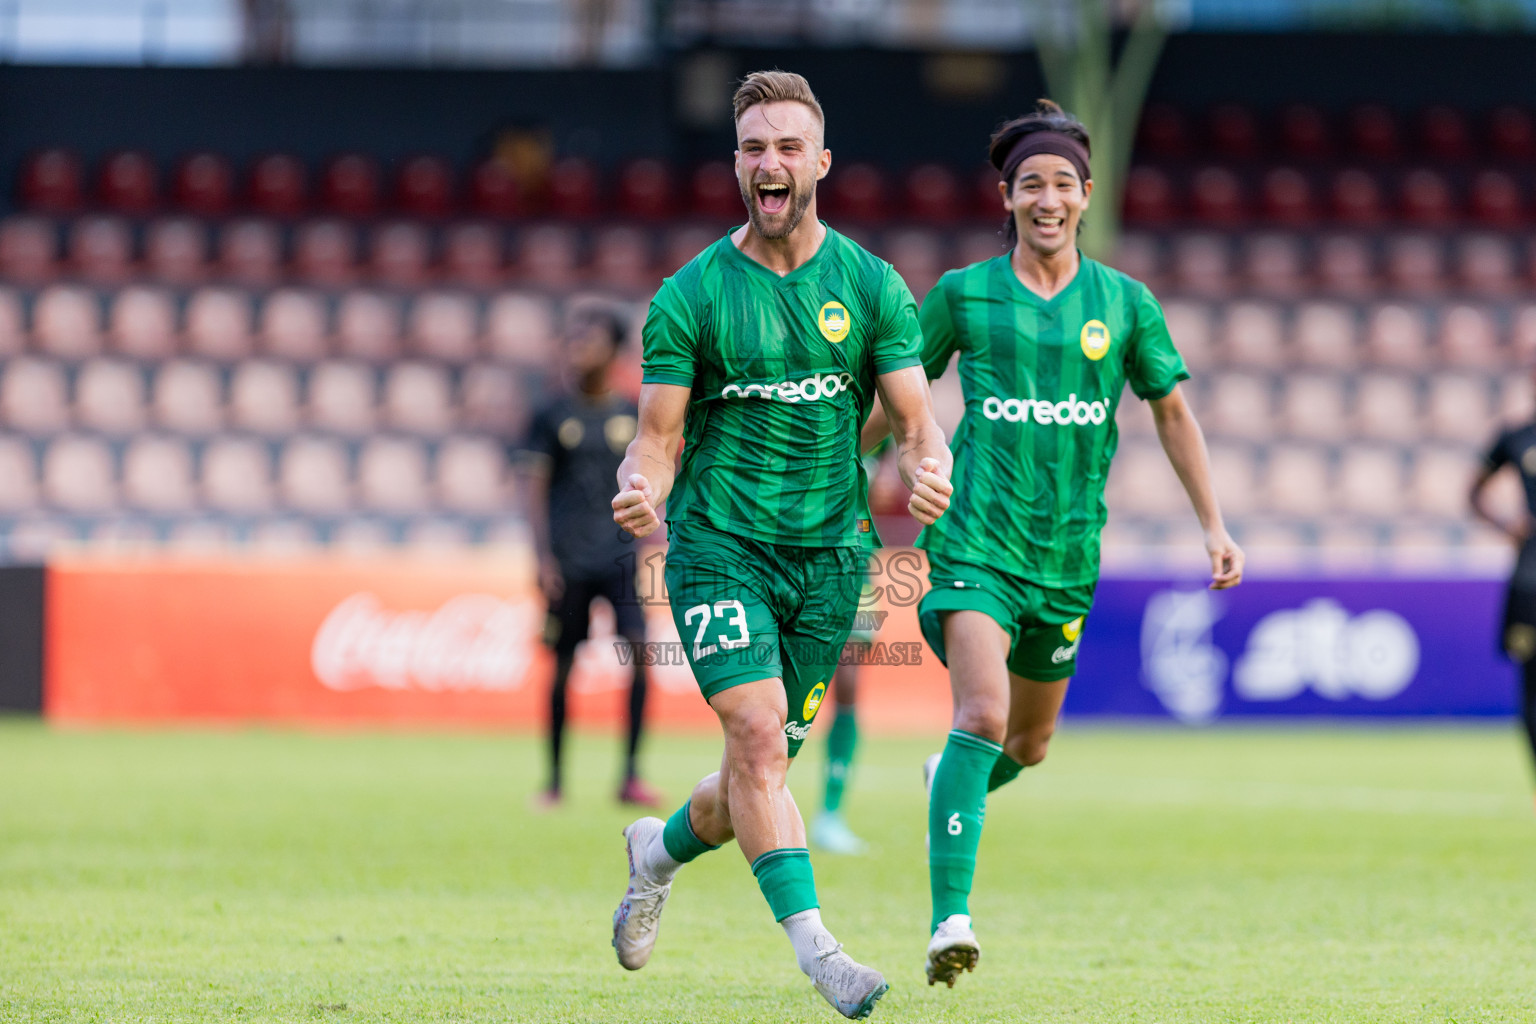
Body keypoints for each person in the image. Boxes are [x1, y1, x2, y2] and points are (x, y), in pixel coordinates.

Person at [607, 70, 954, 1020]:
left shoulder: (871, 285)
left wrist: (931, 467)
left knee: (747, 785)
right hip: (719, 548)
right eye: (755, 147)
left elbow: (917, 421)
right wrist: (642, 487)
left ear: (821, 163)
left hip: (832, 561)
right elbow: (658, 437)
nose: (771, 163)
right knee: (758, 739)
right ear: (736, 165)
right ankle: (823, 956)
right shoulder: (691, 296)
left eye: (788, 147)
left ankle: (658, 851)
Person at [877, 99, 1244, 988]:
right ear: (1006, 197)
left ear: (1086, 195)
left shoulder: (1124, 304)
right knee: (983, 716)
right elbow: (899, 391)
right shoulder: (964, 295)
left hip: (1067, 556)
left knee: (1028, 747)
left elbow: (1171, 412)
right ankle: (949, 921)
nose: (1048, 198)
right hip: (972, 546)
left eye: (1063, 184)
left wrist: (1214, 522)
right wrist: (858, 475)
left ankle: (950, 782)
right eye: (1030, 183)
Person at [519, 304, 660, 809]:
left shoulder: (631, 415)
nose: (578, 349)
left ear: (615, 351)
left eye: (590, 340)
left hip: (621, 559)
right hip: (570, 561)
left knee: (641, 656)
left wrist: (651, 545)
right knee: (561, 666)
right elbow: (533, 489)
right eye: (574, 339)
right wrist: (542, 559)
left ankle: (630, 776)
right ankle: (555, 780)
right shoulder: (550, 414)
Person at [1469, 399, 1536, 794]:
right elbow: (1475, 491)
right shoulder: (1515, 437)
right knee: (1531, 687)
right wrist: (1505, 524)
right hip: (1531, 579)